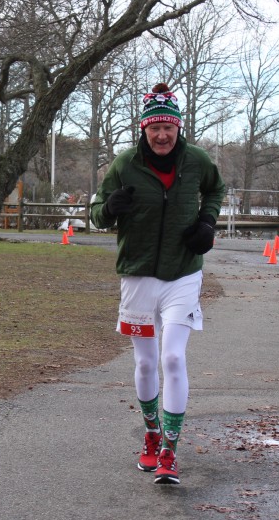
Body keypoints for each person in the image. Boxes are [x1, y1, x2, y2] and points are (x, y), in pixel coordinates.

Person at [90, 83, 225, 485]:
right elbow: (96, 213)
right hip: (138, 274)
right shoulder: (125, 164)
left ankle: (169, 449)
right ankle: (151, 434)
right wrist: (109, 208)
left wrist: (207, 221)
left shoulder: (197, 160)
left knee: (173, 358)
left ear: (178, 127)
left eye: (168, 127)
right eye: (155, 128)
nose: (162, 135)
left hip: (183, 272)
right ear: (144, 129)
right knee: (146, 362)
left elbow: (215, 189)